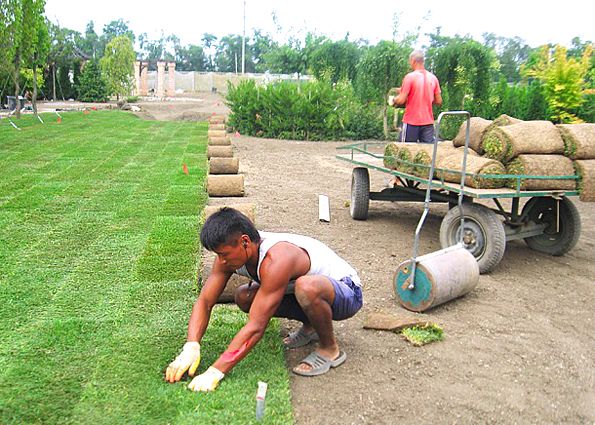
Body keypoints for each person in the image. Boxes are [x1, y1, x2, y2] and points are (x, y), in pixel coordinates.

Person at [165, 207, 363, 392]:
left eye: (224, 254)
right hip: (309, 291)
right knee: (244, 296)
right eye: (218, 255)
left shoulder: (277, 258)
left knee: (306, 287)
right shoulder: (230, 255)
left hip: (348, 292)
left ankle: (330, 349)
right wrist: (191, 346)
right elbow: (205, 301)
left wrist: (216, 370)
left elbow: (256, 326)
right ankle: (311, 327)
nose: (221, 261)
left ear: (244, 242)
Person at [392, 50, 442, 143]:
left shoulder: (410, 77)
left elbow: (401, 100)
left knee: (405, 151)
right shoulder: (433, 78)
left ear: (413, 60)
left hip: (411, 122)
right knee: (427, 153)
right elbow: (438, 101)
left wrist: (394, 99)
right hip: (428, 123)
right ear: (423, 61)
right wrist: (425, 98)